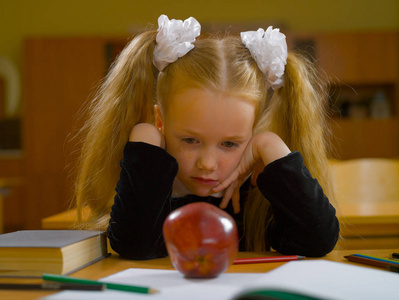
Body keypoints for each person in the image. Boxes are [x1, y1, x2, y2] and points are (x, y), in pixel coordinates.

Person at [73, 14, 339, 260]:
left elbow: (317, 241)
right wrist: (146, 141)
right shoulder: (150, 181)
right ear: (160, 122)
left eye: (229, 144)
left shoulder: (259, 188)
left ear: (252, 135)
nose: (208, 164)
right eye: (190, 140)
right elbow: (134, 246)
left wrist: (271, 146)